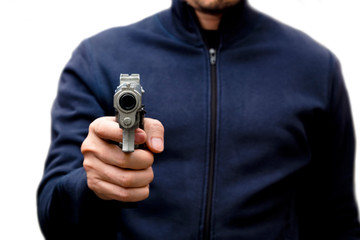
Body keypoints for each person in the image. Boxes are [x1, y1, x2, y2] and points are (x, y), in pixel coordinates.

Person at [37, 0, 360, 239]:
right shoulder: (98, 59)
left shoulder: (316, 68)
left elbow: (337, 221)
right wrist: (90, 184)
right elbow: (53, 218)